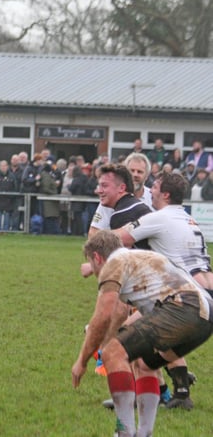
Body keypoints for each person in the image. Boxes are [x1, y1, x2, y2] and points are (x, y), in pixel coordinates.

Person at [72, 230, 213, 437]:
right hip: (205, 315)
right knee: (144, 364)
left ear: (97, 257)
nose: (93, 271)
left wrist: (82, 361)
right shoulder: (141, 257)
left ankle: (124, 433)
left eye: (92, 264)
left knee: (113, 353)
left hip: (184, 308)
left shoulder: (112, 264)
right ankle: (144, 433)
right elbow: (135, 311)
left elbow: (104, 316)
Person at [112, 172, 211, 409]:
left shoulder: (160, 218)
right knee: (153, 338)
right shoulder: (187, 218)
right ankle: (179, 387)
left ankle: (147, 393)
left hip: (187, 297)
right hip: (205, 293)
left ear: (165, 194)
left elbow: (119, 238)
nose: (150, 190)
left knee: (130, 334)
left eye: (154, 186)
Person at [0, 160, 17, 231]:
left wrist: (11, 195)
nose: (3, 167)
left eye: (4, 166)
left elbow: (15, 187)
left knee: (7, 216)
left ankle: (6, 230)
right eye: (1, 166)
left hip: (8, 200)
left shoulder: (12, 176)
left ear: (7, 166)